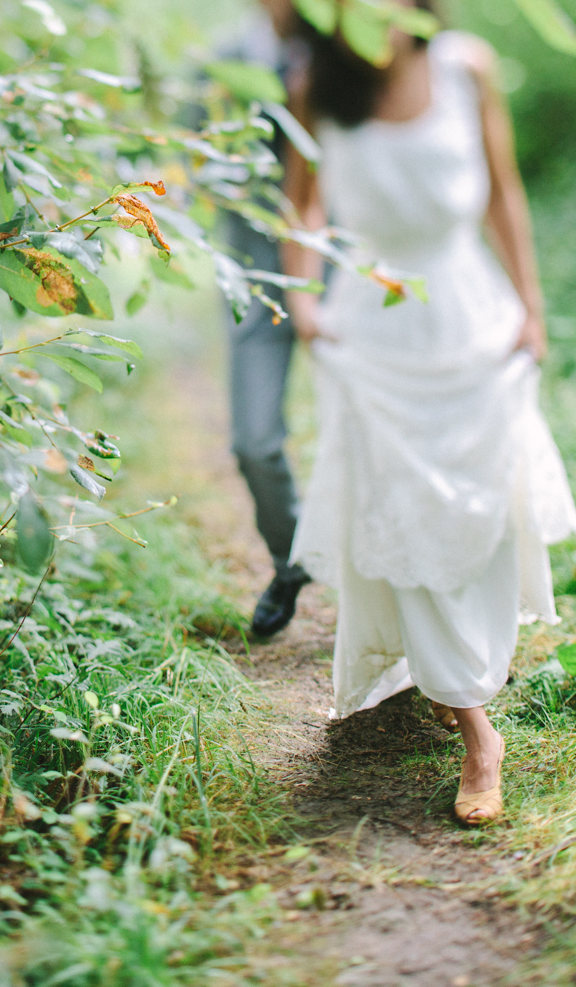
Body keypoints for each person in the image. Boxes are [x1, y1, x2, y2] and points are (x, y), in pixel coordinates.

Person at [280, 2, 576, 824]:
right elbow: (300, 204)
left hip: (469, 316)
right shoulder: (318, 88)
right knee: (403, 514)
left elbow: (502, 192)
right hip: (374, 330)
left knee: (481, 504)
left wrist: (531, 307)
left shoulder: (466, 67)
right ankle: (479, 732)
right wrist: (304, 301)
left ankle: (462, 674)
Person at [224, 0, 319, 639]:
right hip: (262, 278)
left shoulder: (358, 59)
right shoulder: (228, 63)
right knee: (253, 440)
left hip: (348, 276)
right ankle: (292, 563)